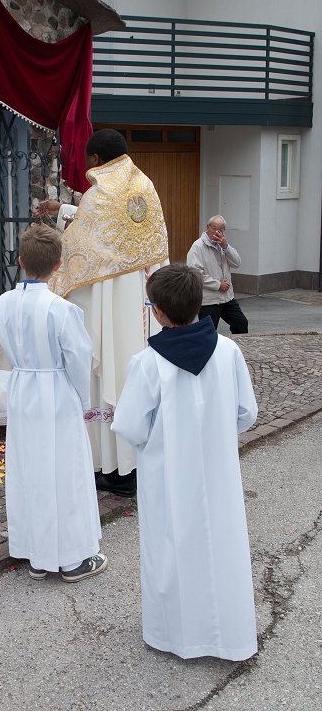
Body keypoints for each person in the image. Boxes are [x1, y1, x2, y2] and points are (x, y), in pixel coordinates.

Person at [112, 263, 258, 661]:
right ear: (198, 305)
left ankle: (175, 635)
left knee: (171, 546)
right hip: (218, 471)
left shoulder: (147, 362)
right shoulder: (228, 352)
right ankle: (231, 633)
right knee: (221, 545)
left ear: (156, 311)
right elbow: (246, 413)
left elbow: (130, 426)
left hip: (168, 473)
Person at [35, 129, 168, 497]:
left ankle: (113, 469)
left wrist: (48, 285)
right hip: (138, 310)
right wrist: (61, 209)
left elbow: (78, 251)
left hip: (106, 312)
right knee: (132, 381)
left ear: (94, 160)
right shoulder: (143, 187)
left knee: (106, 380)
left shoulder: (99, 195)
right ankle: (133, 463)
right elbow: (107, 226)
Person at [0, 224, 107, 582]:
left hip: (22, 386)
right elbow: (79, 357)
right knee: (65, 471)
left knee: (31, 470)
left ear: (22, 261)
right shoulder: (63, 310)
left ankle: (37, 554)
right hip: (56, 391)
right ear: (59, 265)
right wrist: (83, 400)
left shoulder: (3, 302)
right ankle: (73, 559)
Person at [187, 215, 248, 333]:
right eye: (214, 228)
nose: (217, 232)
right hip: (209, 299)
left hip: (227, 298)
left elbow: (237, 263)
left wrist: (226, 247)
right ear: (207, 227)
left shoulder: (223, 245)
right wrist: (217, 284)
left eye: (221, 229)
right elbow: (194, 274)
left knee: (241, 323)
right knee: (208, 331)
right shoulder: (198, 246)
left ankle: (237, 349)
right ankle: (208, 351)